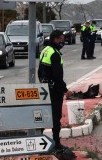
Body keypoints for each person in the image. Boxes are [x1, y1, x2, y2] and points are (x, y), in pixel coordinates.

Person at [38, 30, 76, 159]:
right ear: (55, 39)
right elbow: (57, 76)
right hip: (54, 90)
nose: (63, 42)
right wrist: (65, 90)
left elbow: (39, 70)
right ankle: (56, 143)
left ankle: (39, 142)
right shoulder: (55, 54)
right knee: (55, 116)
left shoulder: (45, 50)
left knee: (43, 115)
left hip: (44, 88)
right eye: (61, 39)